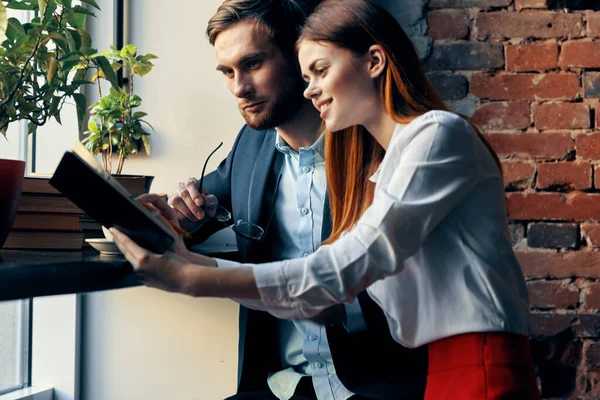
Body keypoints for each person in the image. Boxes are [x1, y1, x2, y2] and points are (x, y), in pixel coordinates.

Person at [112, 0, 541, 399]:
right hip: (445, 372)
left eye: (319, 71)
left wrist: (193, 279)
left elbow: (344, 269)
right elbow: (333, 292)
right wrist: (192, 258)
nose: (309, 90)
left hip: (480, 366)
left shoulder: (436, 136)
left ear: (374, 61)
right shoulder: (390, 165)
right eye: (307, 76)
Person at [163, 1, 427, 399]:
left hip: (382, 381)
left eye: (252, 64)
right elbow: (200, 208)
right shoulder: (251, 144)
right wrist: (185, 212)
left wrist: (199, 275)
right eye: (228, 72)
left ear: (298, 55)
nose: (239, 88)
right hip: (288, 384)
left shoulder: (383, 143)